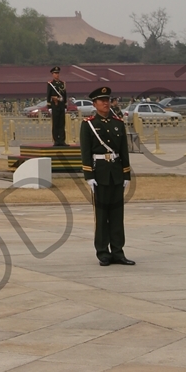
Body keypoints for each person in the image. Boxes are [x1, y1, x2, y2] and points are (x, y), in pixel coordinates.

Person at [79, 85, 135, 266]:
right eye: (102, 101)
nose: (106, 103)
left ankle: (118, 251)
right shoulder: (88, 124)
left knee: (117, 215)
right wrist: (89, 175)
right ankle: (103, 252)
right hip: (100, 174)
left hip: (116, 173)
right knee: (102, 216)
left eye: (108, 100)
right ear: (94, 104)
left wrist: (126, 174)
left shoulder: (118, 123)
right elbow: (85, 151)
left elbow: (123, 151)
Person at [46, 65, 69, 147]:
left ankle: (62, 140)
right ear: (52, 74)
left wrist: (65, 106)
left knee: (62, 123)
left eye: (58, 73)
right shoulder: (50, 84)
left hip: (61, 105)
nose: (57, 75)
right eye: (55, 73)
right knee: (55, 123)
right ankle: (56, 140)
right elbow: (48, 95)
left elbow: (65, 95)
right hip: (54, 105)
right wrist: (49, 107)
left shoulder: (63, 83)